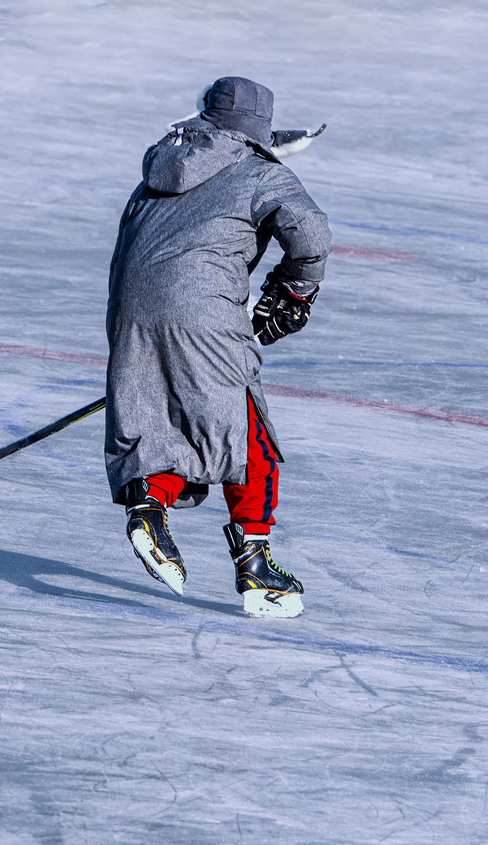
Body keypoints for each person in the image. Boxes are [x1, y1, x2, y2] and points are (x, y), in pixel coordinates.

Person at [105, 78, 330, 617]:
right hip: (202, 315)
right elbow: (311, 232)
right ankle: (256, 566)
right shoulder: (261, 172)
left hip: (129, 310)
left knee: (160, 418)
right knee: (245, 423)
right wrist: (295, 290)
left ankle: (148, 507)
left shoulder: (160, 166)